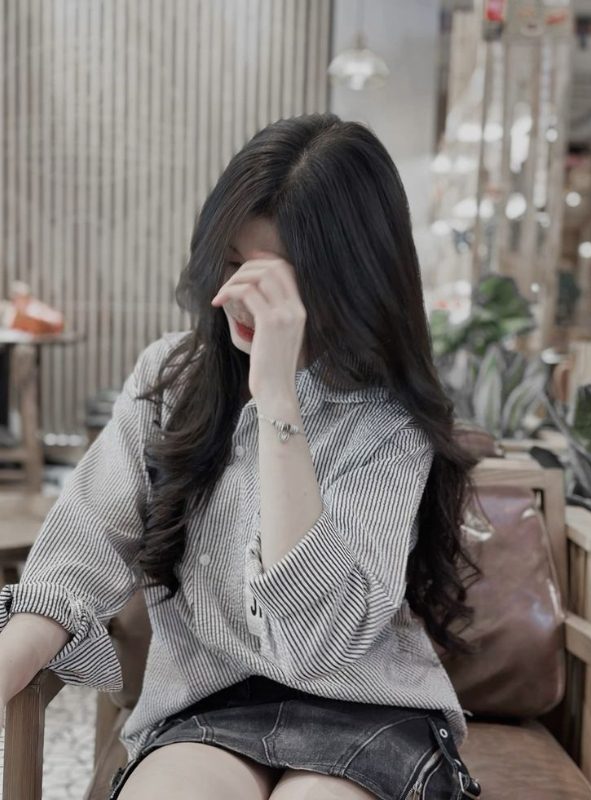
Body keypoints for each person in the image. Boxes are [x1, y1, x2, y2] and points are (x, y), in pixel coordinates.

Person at [0, 112, 482, 800]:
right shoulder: (172, 378)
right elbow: (79, 555)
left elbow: (318, 642)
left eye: (282, 278)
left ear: (351, 278)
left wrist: (277, 397)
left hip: (365, 705)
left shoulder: (388, 420)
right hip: (208, 704)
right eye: (232, 264)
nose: (244, 298)